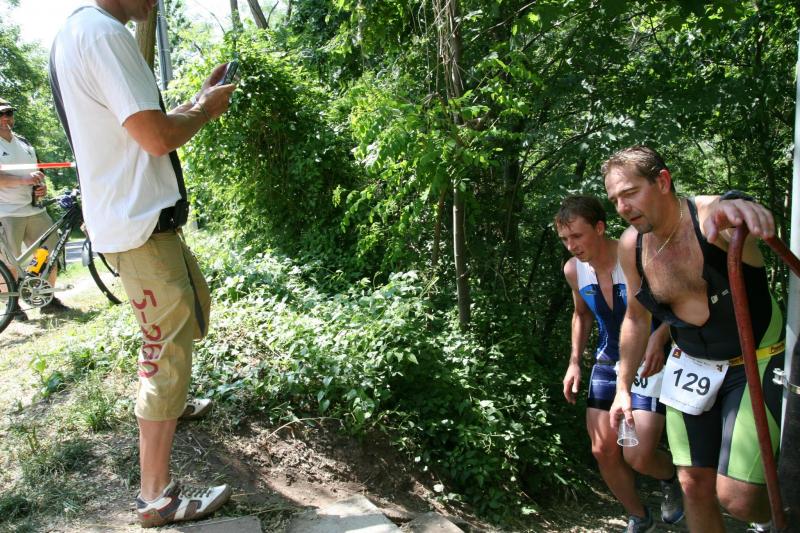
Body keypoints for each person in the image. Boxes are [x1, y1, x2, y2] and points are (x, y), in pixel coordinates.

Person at [50, 1, 237, 528]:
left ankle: (171, 402)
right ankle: (156, 497)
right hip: (138, 225)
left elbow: (136, 126)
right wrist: (207, 111)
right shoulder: (104, 35)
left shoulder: (81, 31)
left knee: (189, 311)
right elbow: (157, 138)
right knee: (165, 350)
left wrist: (196, 100)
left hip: (135, 218)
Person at [603, 146, 784, 533]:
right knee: (693, 485)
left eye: (630, 192)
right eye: (615, 199)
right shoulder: (631, 245)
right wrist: (622, 388)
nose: (622, 207)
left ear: (662, 181)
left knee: (739, 499)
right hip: (691, 366)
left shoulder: (708, 219)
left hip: (756, 359)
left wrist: (741, 204)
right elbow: (635, 317)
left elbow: (731, 208)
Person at [555, 195, 683, 533]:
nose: (571, 246)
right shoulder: (574, 270)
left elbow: (679, 303)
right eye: (565, 239)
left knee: (637, 454)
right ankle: (639, 516)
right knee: (603, 450)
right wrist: (574, 361)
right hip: (607, 360)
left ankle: (670, 477)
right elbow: (581, 315)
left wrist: (660, 338)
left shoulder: (638, 255)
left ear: (599, 227)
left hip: (648, 361)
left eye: (577, 236)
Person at [0, 97, 70, 319]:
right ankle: (12, 306)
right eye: (0, 114)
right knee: (9, 262)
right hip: (6, 212)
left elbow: (39, 171)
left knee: (49, 252)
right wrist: (23, 180)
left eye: (8, 113)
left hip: (34, 209)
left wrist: (42, 187)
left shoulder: (24, 142)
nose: (5, 118)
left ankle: (45, 298)